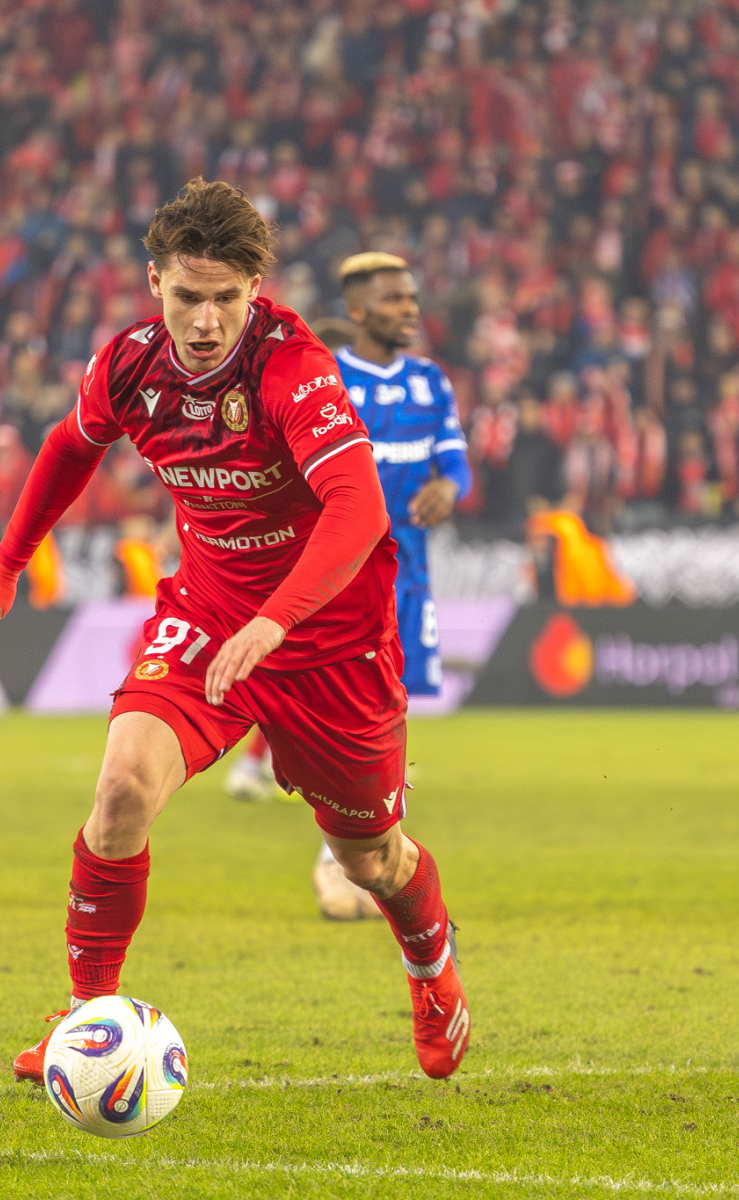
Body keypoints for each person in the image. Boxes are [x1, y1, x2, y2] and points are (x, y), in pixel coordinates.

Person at [0, 179, 472, 1081]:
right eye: (188, 296)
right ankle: (86, 1021)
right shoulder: (128, 365)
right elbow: (69, 446)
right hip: (209, 614)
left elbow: (358, 509)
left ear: (255, 290)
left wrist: (277, 621)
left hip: (330, 635)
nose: (205, 322)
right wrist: (7, 562)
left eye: (226, 299)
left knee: (370, 860)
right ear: (155, 282)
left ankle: (432, 972)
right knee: (121, 789)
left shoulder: (291, 368)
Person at [239, 251, 474, 921]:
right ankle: (337, 857)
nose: (410, 310)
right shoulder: (327, 379)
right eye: (395, 299)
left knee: (393, 714)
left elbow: (457, 464)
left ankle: (371, 857)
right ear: (359, 310)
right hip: (341, 578)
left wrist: (449, 489)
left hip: (410, 573)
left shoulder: (431, 382)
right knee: (345, 716)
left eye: (412, 298)